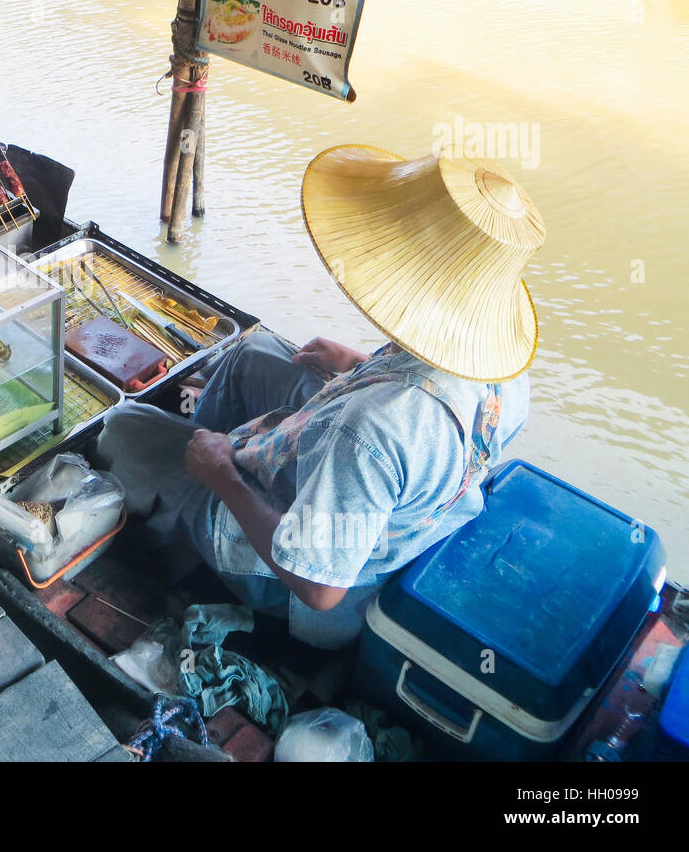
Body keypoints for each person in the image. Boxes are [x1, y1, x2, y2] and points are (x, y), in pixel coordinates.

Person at [95, 146, 546, 648]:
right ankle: (196, 459)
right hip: (388, 494)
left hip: (304, 577)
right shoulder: (501, 366)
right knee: (257, 352)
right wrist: (358, 365)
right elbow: (433, 410)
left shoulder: (374, 430)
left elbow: (320, 587)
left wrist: (222, 475)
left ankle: (191, 505)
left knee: (123, 427)